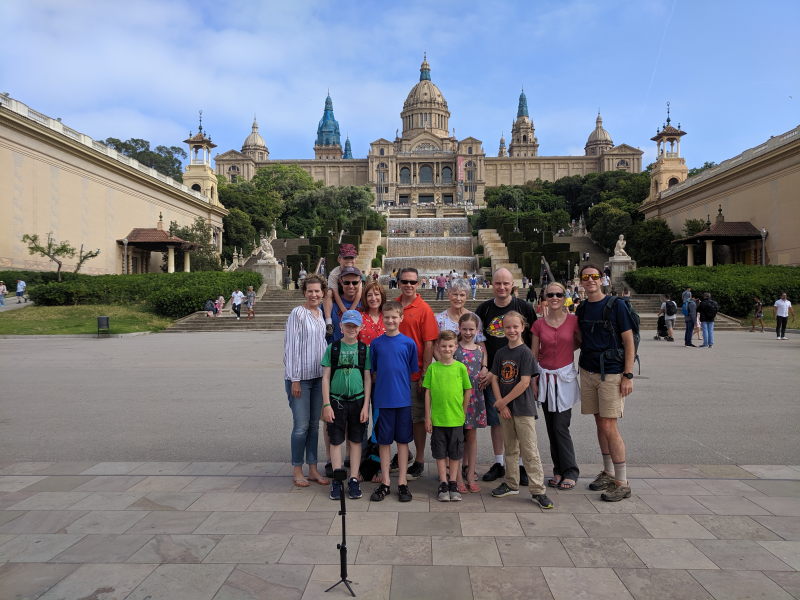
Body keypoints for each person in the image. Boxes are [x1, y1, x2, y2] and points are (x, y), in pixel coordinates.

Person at [576, 264, 634, 502]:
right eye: (585, 277)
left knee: (610, 425)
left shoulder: (616, 305)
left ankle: (622, 481)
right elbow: (579, 340)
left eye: (594, 276)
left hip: (611, 372)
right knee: (600, 424)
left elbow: (629, 341)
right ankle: (608, 472)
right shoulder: (581, 308)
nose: (590, 280)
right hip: (588, 371)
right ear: (580, 281)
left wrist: (628, 375)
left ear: (602, 279)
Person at [474, 267, 537, 484]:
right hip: (495, 376)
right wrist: (484, 367)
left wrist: (533, 370)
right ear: (492, 285)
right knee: (498, 419)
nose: (502, 287)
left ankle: (520, 465)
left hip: (521, 376)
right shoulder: (483, 309)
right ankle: (500, 462)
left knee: (521, 419)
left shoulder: (524, 308)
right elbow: (479, 341)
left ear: (513, 285)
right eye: (498, 283)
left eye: (506, 283)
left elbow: (535, 338)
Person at [488, 311, 553, 509]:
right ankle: (511, 482)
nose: (512, 330)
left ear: (522, 327)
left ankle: (537, 490)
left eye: (515, 327)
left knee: (529, 450)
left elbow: (524, 383)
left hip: (523, 409)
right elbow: (494, 378)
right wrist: (500, 402)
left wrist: (503, 402)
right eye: (508, 327)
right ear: (502, 329)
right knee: (510, 448)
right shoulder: (501, 353)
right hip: (506, 409)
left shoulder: (525, 353)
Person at [531, 282, 581, 491]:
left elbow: (580, 342)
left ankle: (570, 470)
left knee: (561, 425)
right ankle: (558, 469)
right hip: (545, 378)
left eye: (558, 294)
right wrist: (533, 379)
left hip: (564, 378)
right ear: (544, 297)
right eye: (550, 294)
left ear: (564, 297)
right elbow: (533, 354)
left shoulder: (573, 321)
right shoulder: (538, 325)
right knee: (551, 427)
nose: (554, 297)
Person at [369, 300, 418, 502]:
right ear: (383, 318)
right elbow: (373, 372)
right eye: (387, 317)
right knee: (384, 441)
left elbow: (411, 370)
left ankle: (403, 482)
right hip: (383, 401)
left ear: (401, 318)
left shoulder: (408, 343)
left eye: (394, 317)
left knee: (403, 441)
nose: (390, 320)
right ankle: (386, 481)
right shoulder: (376, 343)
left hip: (403, 400)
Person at [284, 274, 330, 488]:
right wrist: (294, 379)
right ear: (304, 292)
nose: (314, 294)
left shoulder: (319, 313)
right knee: (301, 426)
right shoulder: (298, 313)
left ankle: (312, 468)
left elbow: (321, 344)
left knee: (313, 426)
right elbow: (291, 347)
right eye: (310, 291)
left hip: (317, 377)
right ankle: (297, 469)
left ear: (323, 293)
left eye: (317, 291)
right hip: (300, 380)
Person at [321, 310, 371, 501]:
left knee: (356, 440)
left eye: (354, 326)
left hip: (358, 400)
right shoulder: (332, 348)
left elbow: (367, 378)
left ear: (360, 328)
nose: (351, 329)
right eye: (347, 325)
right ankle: (337, 477)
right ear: (341, 327)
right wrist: (326, 404)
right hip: (336, 400)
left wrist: (366, 405)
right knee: (335, 440)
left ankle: (354, 478)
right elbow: (325, 377)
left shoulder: (364, 350)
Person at [395, 267, 439, 479]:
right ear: (399, 282)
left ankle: (420, 458)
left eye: (412, 282)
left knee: (418, 418)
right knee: (398, 416)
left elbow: (429, 343)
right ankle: (406, 453)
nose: (409, 285)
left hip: (414, 373)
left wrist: (424, 374)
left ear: (419, 283)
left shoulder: (424, 308)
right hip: (395, 374)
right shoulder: (394, 305)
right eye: (405, 281)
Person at [424, 330, 472, 502]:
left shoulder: (460, 368)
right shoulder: (433, 368)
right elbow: (428, 393)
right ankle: (443, 482)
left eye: (450, 346)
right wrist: (428, 417)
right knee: (439, 451)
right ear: (438, 346)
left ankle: (453, 482)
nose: (447, 349)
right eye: (443, 346)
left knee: (455, 452)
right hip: (438, 419)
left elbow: (468, 390)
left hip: (456, 419)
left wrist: (463, 410)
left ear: (455, 347)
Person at [455, 313, 487, 493]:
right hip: (457, 397)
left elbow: (484, 368)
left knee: (471, 437)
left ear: (477, 330)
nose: (468, 332)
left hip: (474, 397)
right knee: (458, 438)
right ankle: (457, 475)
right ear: (459, 328)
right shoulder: (455, 348)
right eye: (464, 329)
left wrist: (485, 370)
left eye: (471, 329)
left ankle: (470, 473)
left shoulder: (480, 350)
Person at [324, 244, 363, 336]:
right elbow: (335, 294)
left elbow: (359, 292)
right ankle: (329, 323)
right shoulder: (334, 274)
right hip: (337, 293)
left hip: (351, 295)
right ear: (339, 259)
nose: (349, 261)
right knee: (328, 293)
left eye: (351, 258)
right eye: (346, 258)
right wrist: (344, 311)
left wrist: (351, 310)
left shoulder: (357, 272)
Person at [435, 279, 485, 343]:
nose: (458, 298)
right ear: (449, 295)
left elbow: (480, 342)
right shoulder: (439, 320)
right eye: (455, 294)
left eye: (462, 295)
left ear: (467, 296)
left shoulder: (475, 319)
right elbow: (436, 345)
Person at [327, 266, 364, 343]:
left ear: (360, 282)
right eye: (346, 282)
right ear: (341, 282)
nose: (351, 286)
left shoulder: (365, 303)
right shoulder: (330, 304)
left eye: (355, 283)